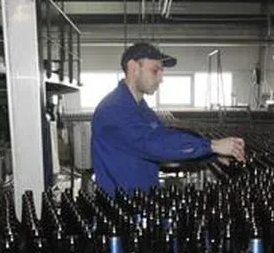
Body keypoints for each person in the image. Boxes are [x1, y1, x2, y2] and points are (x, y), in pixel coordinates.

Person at [90, 42, 246, 195]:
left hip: (144, 198)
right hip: (120, 206)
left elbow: (165, 141)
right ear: (133, 68)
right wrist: (212, 146)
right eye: (155, 71)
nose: (160, 79)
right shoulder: (113, 110)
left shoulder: (143, 110)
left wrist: (212, 156)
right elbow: (154, 143)